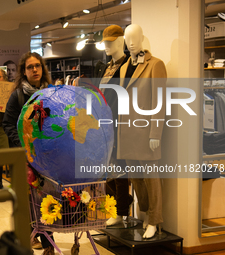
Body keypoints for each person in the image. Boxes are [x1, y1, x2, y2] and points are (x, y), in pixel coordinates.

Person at [2, 52, 54, 255]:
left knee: (46, 197)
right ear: (24, 71)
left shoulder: (51, 93)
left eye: (38, 66)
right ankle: (38, 239)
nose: (35, 70)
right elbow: (7, 123)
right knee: (30, 200)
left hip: (48, 155)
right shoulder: (18, 96)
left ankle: (46, 240)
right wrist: (23, 146)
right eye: (30, 67)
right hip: (26, 157)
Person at [118, 24, 167, 238]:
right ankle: (146, 213)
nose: (130, 42)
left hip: (146, 133)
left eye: (134, 37)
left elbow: (160, 101)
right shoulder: (123, 66)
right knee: (136, 178)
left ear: (142, 38)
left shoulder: (155, 65)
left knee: (151, 177)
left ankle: (155, 220)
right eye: (127, 38)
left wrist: (156, 133)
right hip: (127, 133)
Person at [94, 24, 133, 226]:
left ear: (120, 42)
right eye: (105, 43)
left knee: (119, 167)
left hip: (120, 122)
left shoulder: (128, 66)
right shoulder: (105, 66)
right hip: (104, 123)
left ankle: (121, 211)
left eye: (110, 42)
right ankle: (122, 202)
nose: (107, 47)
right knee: (107, 168)